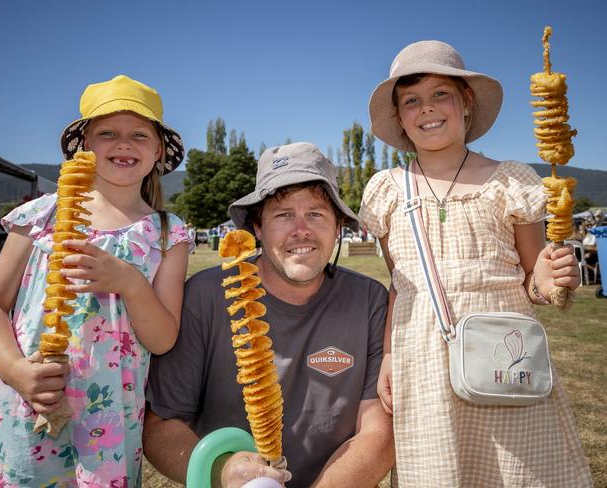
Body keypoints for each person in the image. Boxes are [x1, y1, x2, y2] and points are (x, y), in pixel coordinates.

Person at [360, 40, 592, 487]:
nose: (427, 109)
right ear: (400, 118)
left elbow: (534, 282)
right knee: (438, 472)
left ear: (466, 102)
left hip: (504, 355)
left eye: (440, 94)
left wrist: (550, 279)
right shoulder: (387, 189)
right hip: (422, 358)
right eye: (412, 101)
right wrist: (389, 355)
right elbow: (402, 284)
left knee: (516, 473)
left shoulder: (511, 180)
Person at [0, 74, 191, 486]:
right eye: (107, 132)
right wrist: (15, 370)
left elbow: (163, 339)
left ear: (159, 150)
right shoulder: (42, 215)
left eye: (139, 135)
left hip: (109, 423)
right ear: (85, 146)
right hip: (27, 405)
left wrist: (130, 282)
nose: (123, 144)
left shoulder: (167, 234)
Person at [144, 142, 394, 487]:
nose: (301, 230)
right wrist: (223, 471)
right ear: (257, 227)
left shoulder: (369, 300)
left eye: (316, 213)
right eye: (283, 214)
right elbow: (161, 424)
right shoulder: (206, 295)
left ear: (339, 227)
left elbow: (378, 430)